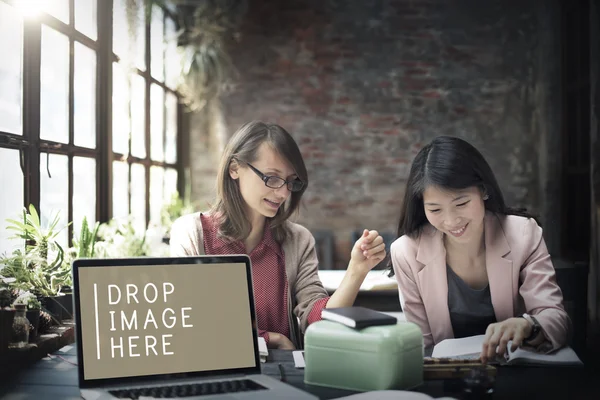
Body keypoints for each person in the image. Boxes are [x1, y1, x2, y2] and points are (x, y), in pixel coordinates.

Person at [170, 121, 386, 350]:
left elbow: (319, 322)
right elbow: (191, 322)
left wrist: (356, 271)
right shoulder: (192, 233)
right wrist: (269, 339)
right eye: (271, 178)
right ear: (234, 168)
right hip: (216, 372)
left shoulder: (298, 240)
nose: (283, 192)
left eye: (291, 181)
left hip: (285, 372)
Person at [389, 136, 570, 363]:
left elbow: (556, 318)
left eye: (461, 203)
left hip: (518, 373)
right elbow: (423, 346)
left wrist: (529, 325)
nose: (451, 221)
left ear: (483, 190)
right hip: (447, 376)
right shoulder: (406, 251)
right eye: (435, 209)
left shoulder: (523, 233)